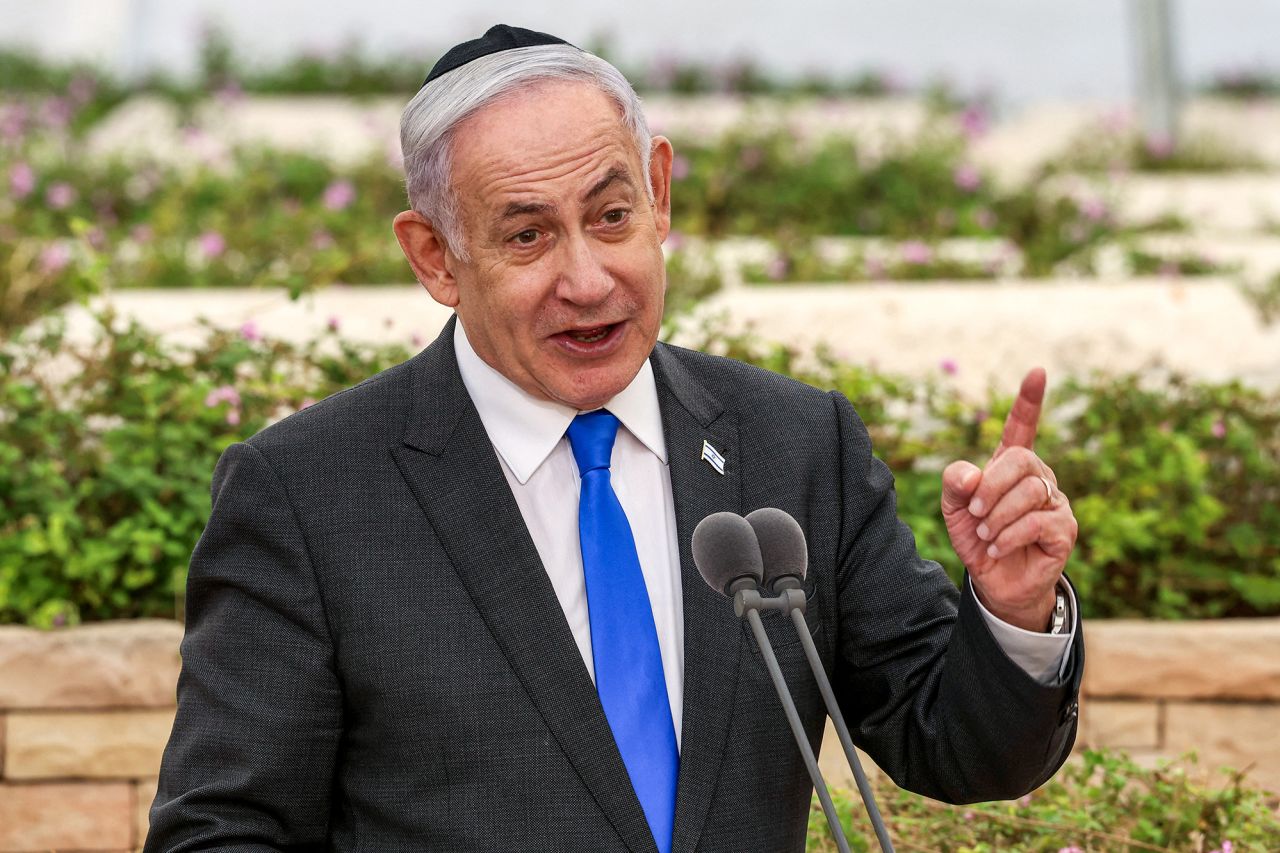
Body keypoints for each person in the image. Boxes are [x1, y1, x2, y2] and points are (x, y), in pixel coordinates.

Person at [146, 25, 1083, 853]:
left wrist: (1010, 605)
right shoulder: (309, 494)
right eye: (526, 236)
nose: (588, 279)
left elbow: (954, 743)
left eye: (610, 216)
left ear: (660, 192)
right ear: (435, 255)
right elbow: (223, 829)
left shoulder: (793, 442)